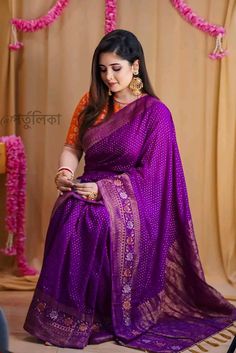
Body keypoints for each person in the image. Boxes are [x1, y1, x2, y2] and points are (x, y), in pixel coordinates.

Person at [24, 29, 236, 352]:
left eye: (116, 68)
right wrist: (65, 172)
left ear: (135, 67)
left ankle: (100, 316)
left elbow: (154, 177)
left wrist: (105, 192)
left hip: (137, 202)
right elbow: (72, 146)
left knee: (94, 222)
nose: (108, 77)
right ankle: (64, 317)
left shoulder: (155, 114)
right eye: (102, 69)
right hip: (88, 188)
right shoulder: (91, 103)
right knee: (69, 211)